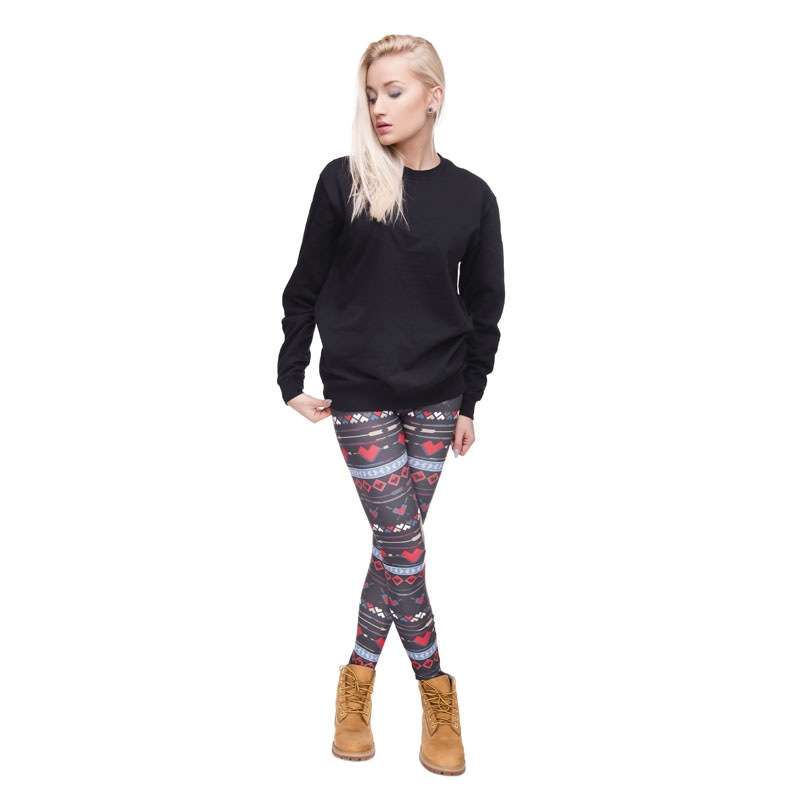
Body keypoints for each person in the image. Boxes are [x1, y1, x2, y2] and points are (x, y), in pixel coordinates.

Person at [276, 34, 505, 776]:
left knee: (392, 550)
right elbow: (304, 286)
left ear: (433, 97)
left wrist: (470, 399)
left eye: (394, 91)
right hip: (362, 393)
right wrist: (290, 375)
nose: (378, 106)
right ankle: (438, 692)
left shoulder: (473, 196)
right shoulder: (343, 181)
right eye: (371, 93)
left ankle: (356, 681)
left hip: (439, 397)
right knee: (404, 545)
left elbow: (485, 307)